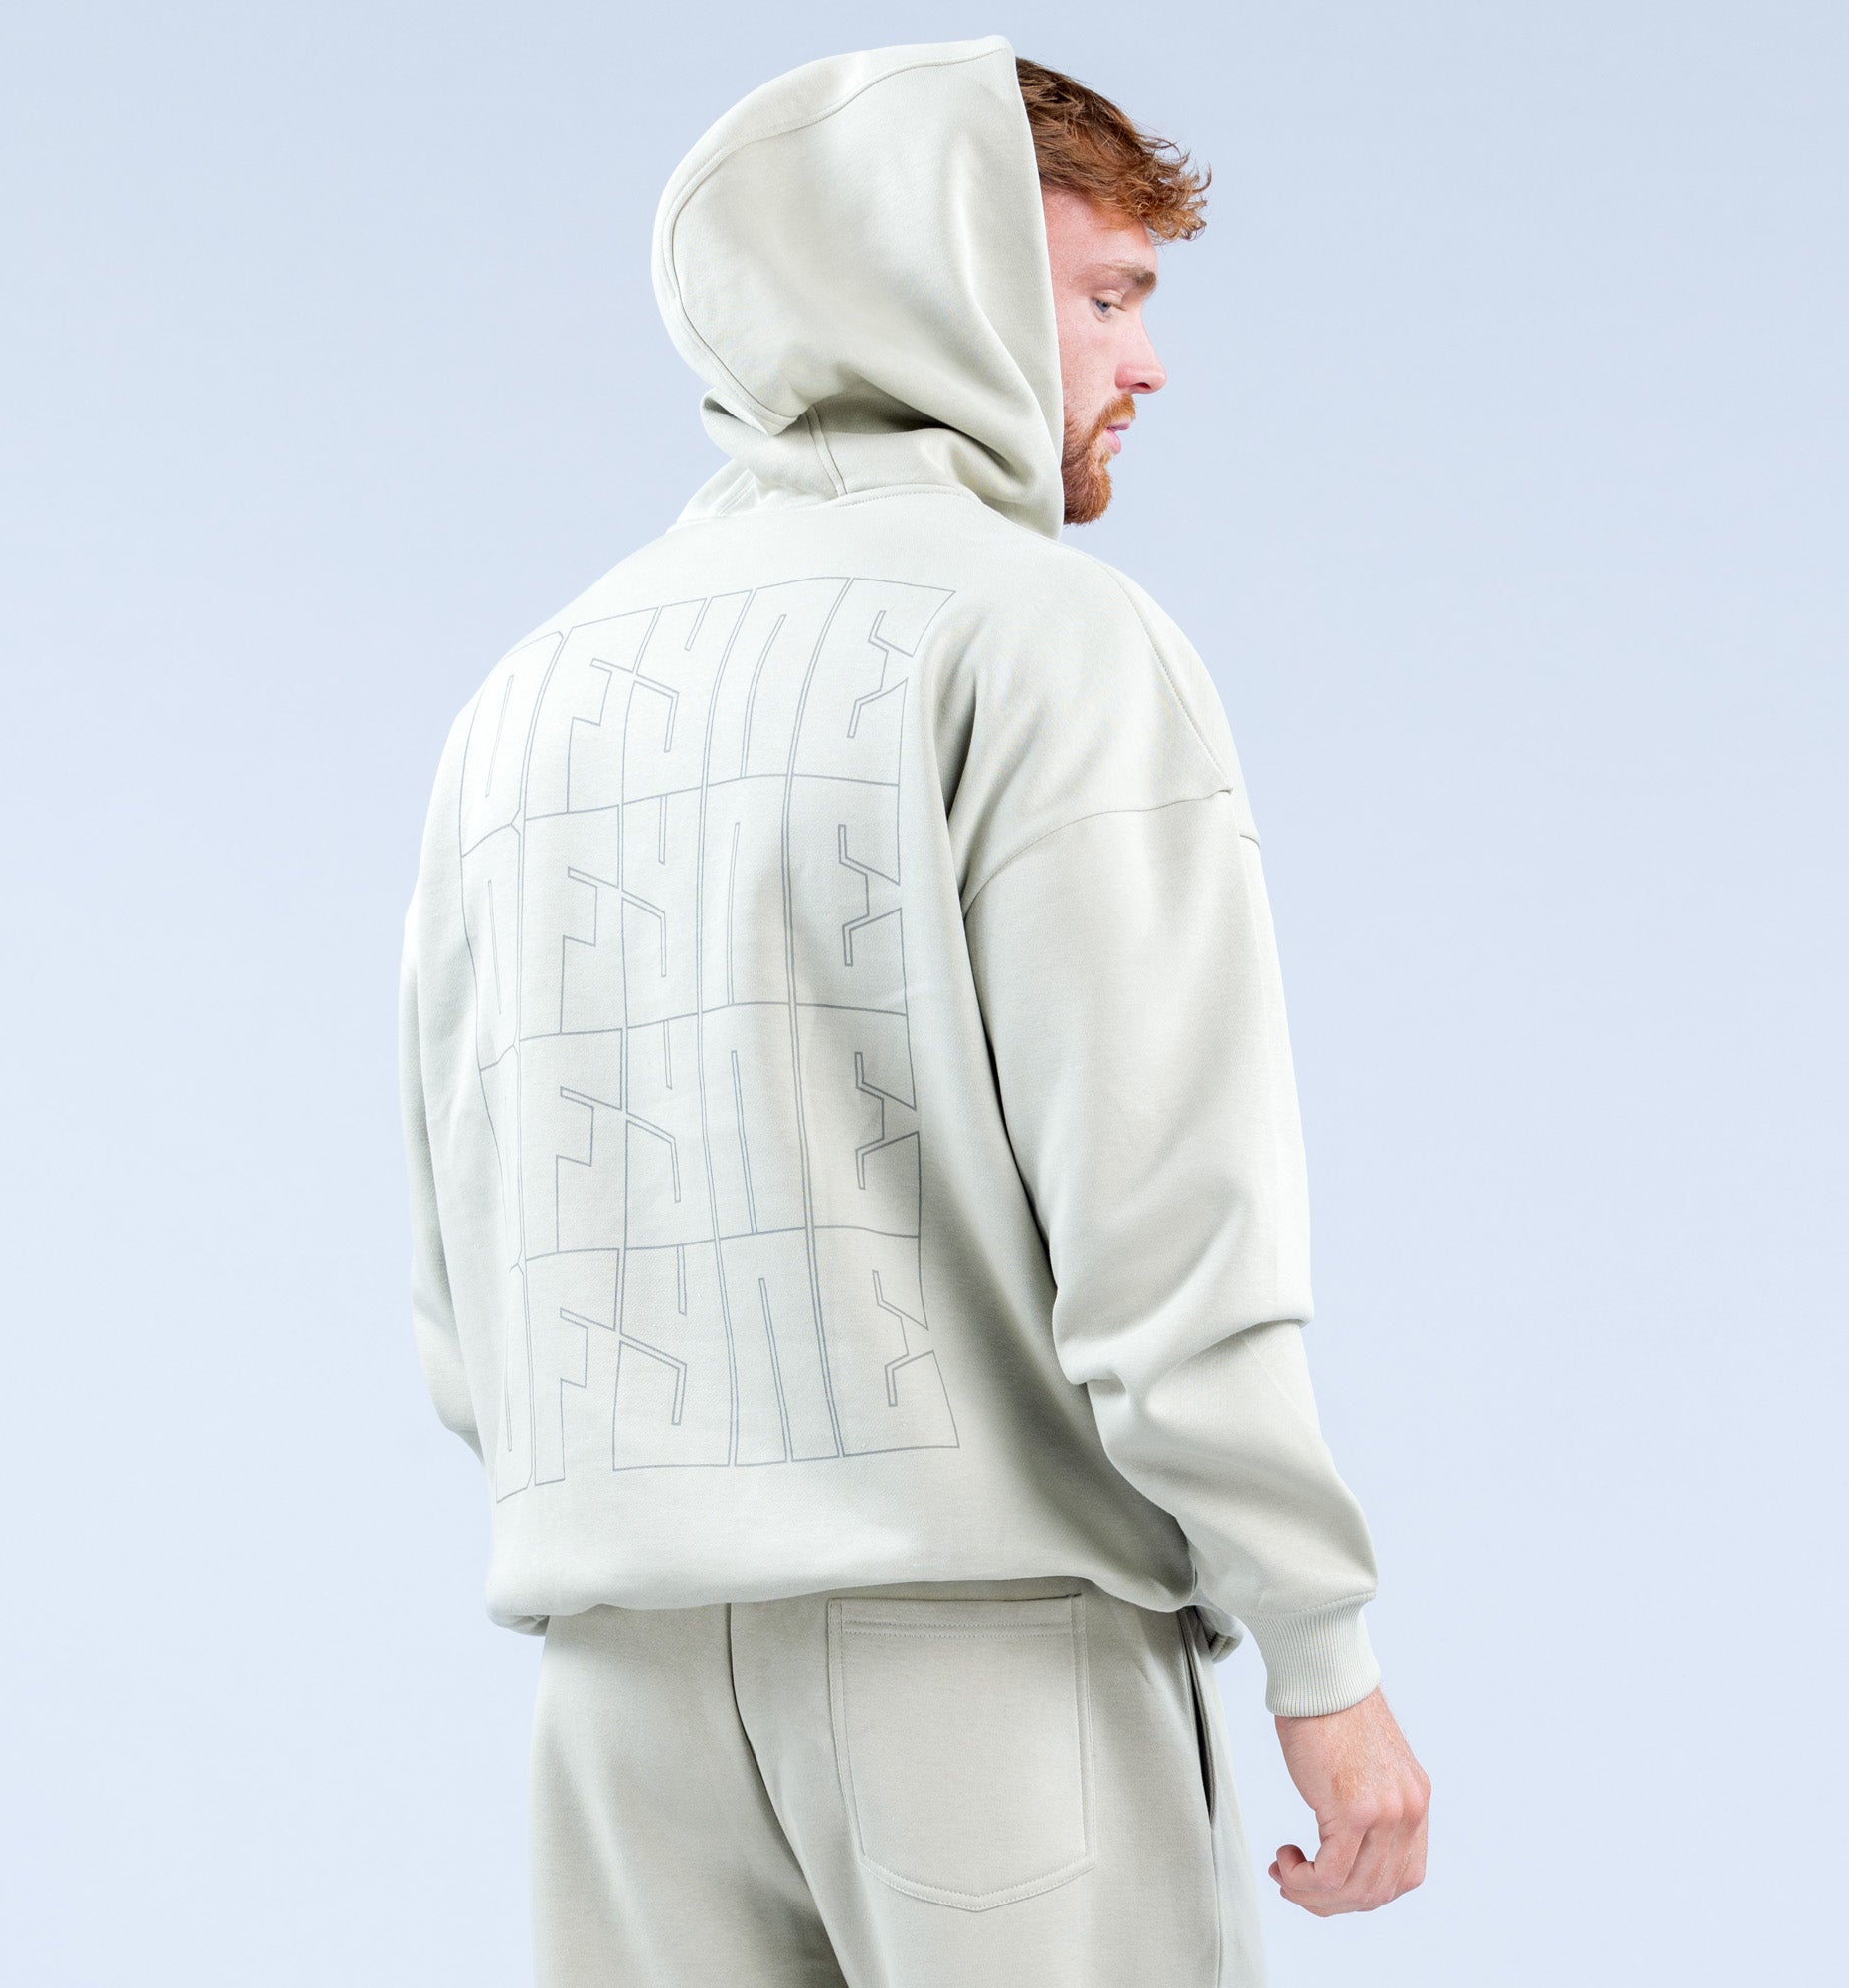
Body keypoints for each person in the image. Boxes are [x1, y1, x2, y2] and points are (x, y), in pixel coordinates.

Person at [397, 35, 1429, 1987]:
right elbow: (1163, 1219)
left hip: (617, 1693)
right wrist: (1324, 1647)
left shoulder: (530, 692)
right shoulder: (1048, 641)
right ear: (942, 277)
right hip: (989, 1666)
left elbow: (464, 1254)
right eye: (1106, 295)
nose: (1147, 361)